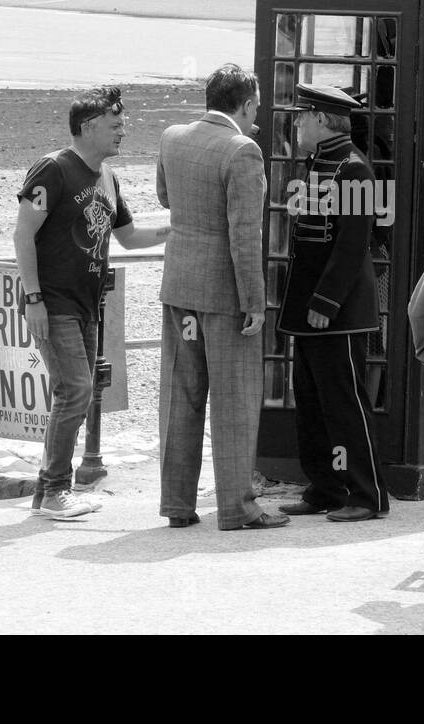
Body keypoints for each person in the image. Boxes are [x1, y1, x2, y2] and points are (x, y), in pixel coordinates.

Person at [14, 85, 169, 520]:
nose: (123, 131)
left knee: (77, 394)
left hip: (87, 305)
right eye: (115, 124)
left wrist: (178, 231)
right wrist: (34, 298)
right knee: (76, 390)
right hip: (54, 302)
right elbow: (23, 234)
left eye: (123, 123)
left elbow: (129, 237)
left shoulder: (107, 178)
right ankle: (55, 490)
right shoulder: (53, 170)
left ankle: (49, 491)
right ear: (87, 127)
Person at [155, 64, 288, 530]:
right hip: (225, 295)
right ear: (247, 104)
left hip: (179, 286)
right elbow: (244, 236)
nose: (258, 118)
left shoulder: (173, 136)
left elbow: (166, 197)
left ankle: (177, 503)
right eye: (257, 108)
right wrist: (255, 301)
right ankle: (237, 508)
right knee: (234, 402)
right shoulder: (242, 150)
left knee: (180, 397)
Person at [277, 84, 390, 523]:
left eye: (303, 116)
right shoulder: (319, 163)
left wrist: (325, 301)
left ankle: (367, 494)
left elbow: (352, 244)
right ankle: (325, 487)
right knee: (310, 399)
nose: (297, 123)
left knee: (345, 403)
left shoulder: (353, 169)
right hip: (308, 309)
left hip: (335, 312)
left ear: (322, 120)